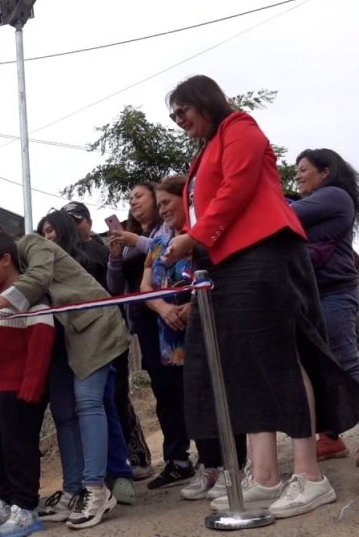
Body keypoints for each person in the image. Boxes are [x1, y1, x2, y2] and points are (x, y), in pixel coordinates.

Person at [162, 75, 359, 519]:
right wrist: (194, 241)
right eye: (173, 116)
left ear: (204, 101)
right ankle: (266, 475)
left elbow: (236, 187)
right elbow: (208, 204)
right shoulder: (204, 150)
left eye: (182, 110)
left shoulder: (240, 127)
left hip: (263, 252)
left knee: (278, 359)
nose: (179, 120)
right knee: (245, 366)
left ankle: (310, 475)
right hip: (227, 261)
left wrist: (195, 236)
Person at [0, 226, 130, 531]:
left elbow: (40, 278)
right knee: (64, 414)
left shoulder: (32, 244)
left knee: (88, 402)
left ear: (4, 253)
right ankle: (73, 491)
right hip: (68, 337)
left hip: (93, 326)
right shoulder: (7, 281)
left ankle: (96, 490)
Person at [139, 176, 248, 502]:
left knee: (220, 394)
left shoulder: (204, 232)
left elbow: (221, 274)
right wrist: (162, 308)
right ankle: (208, 465)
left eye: (167, 202)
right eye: (159, 204)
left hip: (209, 324)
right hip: (170, 333)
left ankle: (234, 466)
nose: (162, 210)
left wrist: (193, 306)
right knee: (192, 398)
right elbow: (145, 286)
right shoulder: (158, 241)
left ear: (185, 199)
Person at [293, 148, 359, 467]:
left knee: (346, 361)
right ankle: (330, 436)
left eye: (303, 169)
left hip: (334, 292)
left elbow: (285, 216)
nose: (297, 176)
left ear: (325, 172)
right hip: (308, 295)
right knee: (316, 367)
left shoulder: (335, 196)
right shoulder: (312, 204)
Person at [35, 211, 137, 507]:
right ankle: (77, 486)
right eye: (43, 232)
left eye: (52, 230)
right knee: (70, 412)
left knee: (103, 403)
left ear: (65, 231)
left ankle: (118, 474)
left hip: (95, 342)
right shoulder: (40, 266)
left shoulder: (88, 257)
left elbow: (111, 291)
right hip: (61, 345)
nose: (48, 237)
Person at [108, 183, 194, 489]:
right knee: (165, 391)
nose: (133, 202)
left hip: (182, 314)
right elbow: (116, 287)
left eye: (139, 196)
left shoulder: (165, 232)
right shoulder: (133, 239)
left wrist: (137, 241)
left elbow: (167, 256)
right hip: (148, 321)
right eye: (130, 198)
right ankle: (178, 459)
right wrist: (116, 257)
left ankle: (215, 458)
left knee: (190, 386)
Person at [0, 231, 54, 537]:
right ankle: (5, 502)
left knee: (18, 449)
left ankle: (26, 508)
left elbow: (41, 342)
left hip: (18, 391)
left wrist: (31, 389)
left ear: (6, 259)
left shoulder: (33, 298)